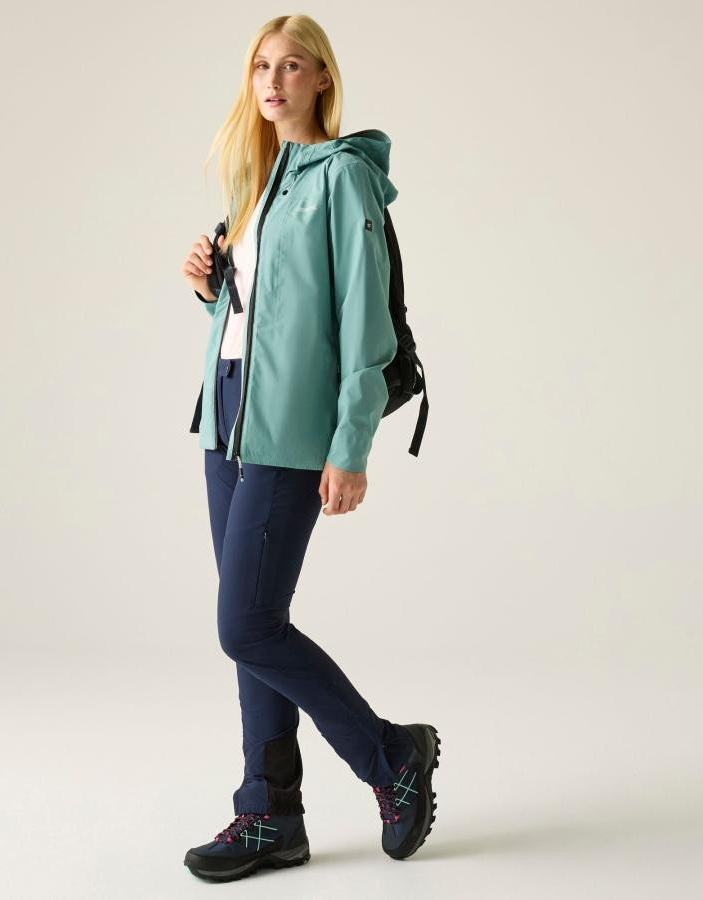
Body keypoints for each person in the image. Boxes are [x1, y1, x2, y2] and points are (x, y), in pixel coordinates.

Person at [178, 14, 441, 883]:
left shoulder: (344, 178)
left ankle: (390, 755)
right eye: (262, 65)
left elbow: (364, 325)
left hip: (292, 432)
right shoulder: (257, 181)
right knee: (253, 630)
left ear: (322, 78)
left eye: (293, 66)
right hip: (227, 418)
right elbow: (263, 316)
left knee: (246, 624)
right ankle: (270, 815)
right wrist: (212, 288)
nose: (273, 80)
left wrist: (351, 445)